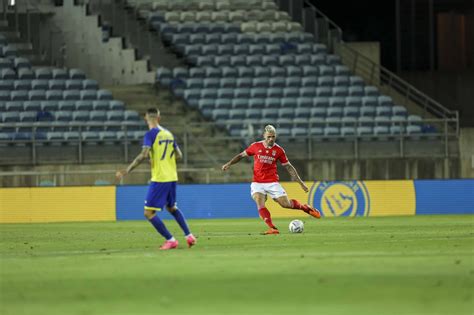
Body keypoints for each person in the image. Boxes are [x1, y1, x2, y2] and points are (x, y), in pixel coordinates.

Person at [116, 108, 196, 250]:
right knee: (172, 208)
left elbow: (143, 154)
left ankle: (170, 240)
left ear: (146, 119)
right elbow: (179, 155)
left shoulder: (151, 135)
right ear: (159, 118)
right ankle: (189, 235)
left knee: (148, 212)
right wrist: (163, 159)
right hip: (172, 176)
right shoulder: (168, 134)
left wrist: (127, 170)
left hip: (160, 178)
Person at [222, 125, 321, 235]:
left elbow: (289, 167)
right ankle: (273, 228)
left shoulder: (279, 150)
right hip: (257, 183)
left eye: (273, 137)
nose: (271, 139)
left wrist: (301, 183)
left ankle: (305, 208)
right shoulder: (255, 146)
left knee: (285, 204)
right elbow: (241, 155)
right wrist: (229, 163)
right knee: (260, 203)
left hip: (272, 182)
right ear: (264, 136)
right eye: (269, 136)